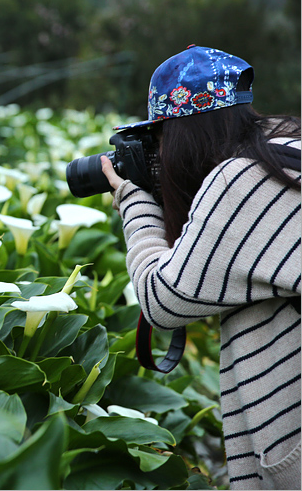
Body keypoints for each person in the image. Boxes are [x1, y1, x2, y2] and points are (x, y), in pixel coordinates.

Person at [100, 45, 301, 489]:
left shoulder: (243, 181)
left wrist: (133, 198)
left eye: (160, 138)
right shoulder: (285, 156)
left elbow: (162, 298)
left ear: (182, 135)